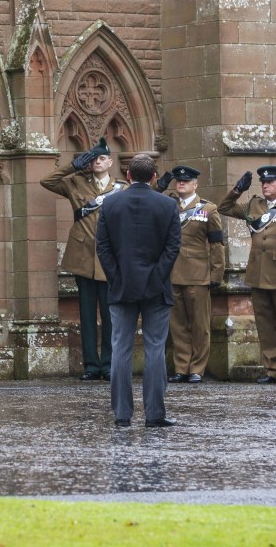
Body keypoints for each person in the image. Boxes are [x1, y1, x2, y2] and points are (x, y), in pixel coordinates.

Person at [96, 153, 181, 428]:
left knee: (120, 348)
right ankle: (155, 414)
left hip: (122, 286)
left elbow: (103, 248)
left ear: (128, 175)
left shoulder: (110, 204)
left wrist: (116, 277)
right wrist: (157, 278)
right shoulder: (168, 205)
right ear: (155, 176)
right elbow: (172, 248)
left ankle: (122, 414)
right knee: (155, 348)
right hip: (156, 287)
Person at [41, 138, 127, 381]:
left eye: (101, 159)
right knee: (87, 314)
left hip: (111, 259)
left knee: (111, 316)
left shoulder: (123, 188)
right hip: (83, 258)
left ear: (110, 162)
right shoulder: (75, 182)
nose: (97, 162)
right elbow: (46, 181)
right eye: (93, 159)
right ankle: (90, 364)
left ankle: (109, 364)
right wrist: (74, 166)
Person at [218, 166, 276, 384]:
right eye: (263, 183)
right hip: (258, 273)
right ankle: (271, 368)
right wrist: (237, 190)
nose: (266, 185)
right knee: (265, 323)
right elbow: (224, 208)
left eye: (270, 182)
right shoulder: (253, 205)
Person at [157, 165, 225, 383]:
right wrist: (162, 181)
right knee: (177, 324)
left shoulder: (208, 209)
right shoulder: (168, 205)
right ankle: (181, 366)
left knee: (199, 324)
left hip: (198, 274)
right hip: (172, 272)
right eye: (178, 181)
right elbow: (147, 196)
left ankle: (197, 368)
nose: (181, 183)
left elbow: (216, 244)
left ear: (195, 184)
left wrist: (217, 274)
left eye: (185, 181)